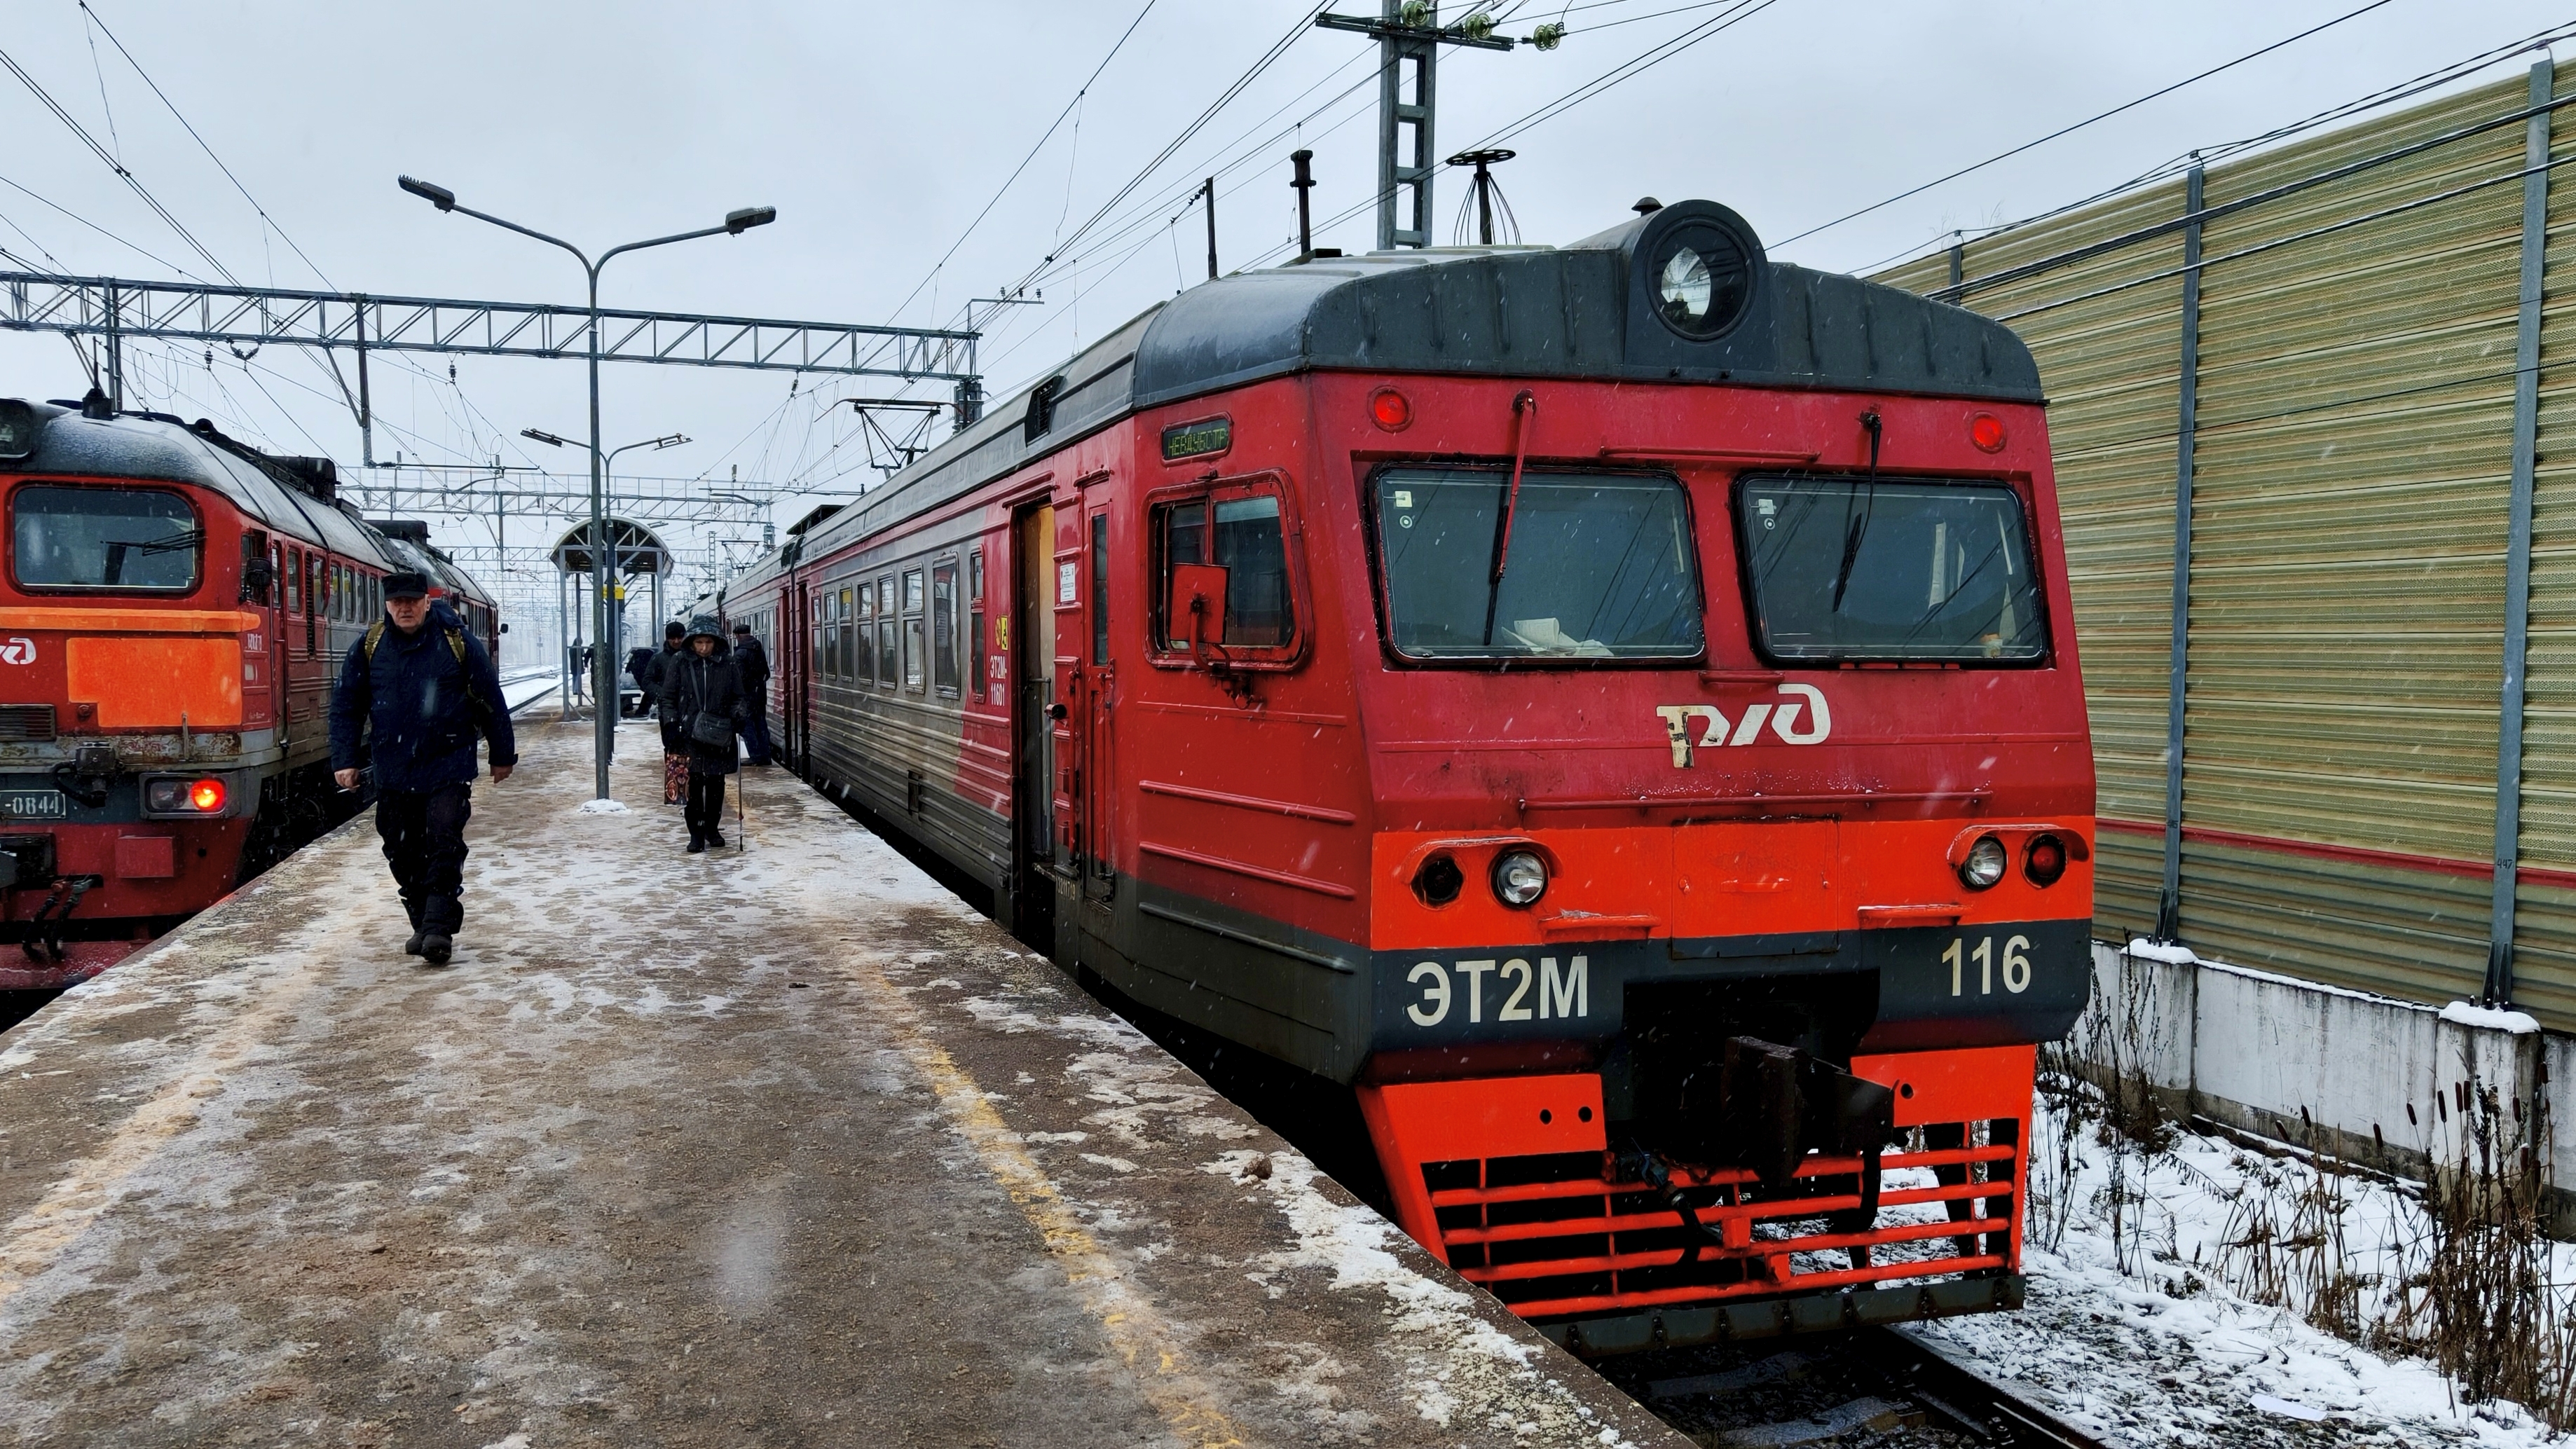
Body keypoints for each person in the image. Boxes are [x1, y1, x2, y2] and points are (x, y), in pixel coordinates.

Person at [329, 571, 516, 965]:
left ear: (427, 602)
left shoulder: (456, 641)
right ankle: (422, 920)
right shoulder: (370, 646)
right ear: (387, 606)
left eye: (413, 601)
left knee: (443, 840)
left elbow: (489, 698)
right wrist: (344, 759)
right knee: (399, 845)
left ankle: (438, 929)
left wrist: (502, 753)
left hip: (447, 763)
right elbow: (346, 706)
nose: (405, 608)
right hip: (394, 768)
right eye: (398, 602)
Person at [657, 614, 746, 853]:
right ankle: (696, 833)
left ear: (715, 642)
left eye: (708, 642)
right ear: (692, 643)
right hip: (688, 734)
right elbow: (668, 698)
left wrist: (738, 713)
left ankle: (712, 829)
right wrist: (671, 724)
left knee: (716, 784)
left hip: (719, 732)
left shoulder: (728, 664)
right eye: (699, 643)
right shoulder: (680, 663)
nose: (704, 648)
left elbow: (739, 696)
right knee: (693, 785)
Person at [645, 621, 688, 804]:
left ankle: (688, 784)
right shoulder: (659, 659)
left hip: (689, 709)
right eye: (673, 638)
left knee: (691, 748)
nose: (677, 641)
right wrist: (662, 694)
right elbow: (647, 681)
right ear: (667, 639)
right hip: (668, 711)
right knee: (671, 747)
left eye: (680, 637)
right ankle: (675, 788)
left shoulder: (690, 657)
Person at [731, 622, 773, 766]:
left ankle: (755, 756)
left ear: (737, 636)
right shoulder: (758, 650)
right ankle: (766, 756)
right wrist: (758, 686)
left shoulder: (740, 654)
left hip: (747, 697)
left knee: (747, 726)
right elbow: (766, 674)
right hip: (760, 696)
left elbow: (738, 679)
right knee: (761, 725)